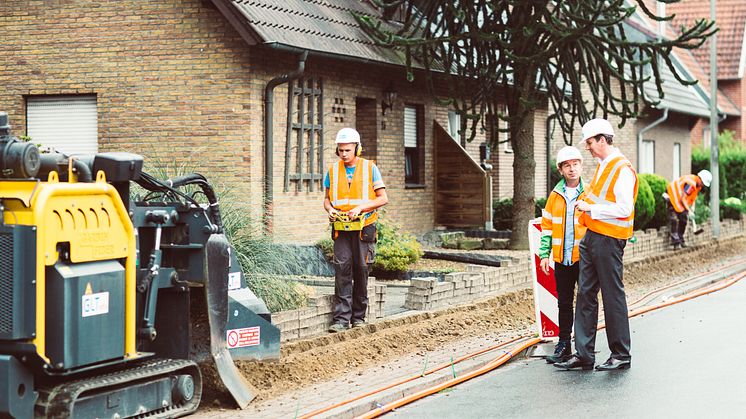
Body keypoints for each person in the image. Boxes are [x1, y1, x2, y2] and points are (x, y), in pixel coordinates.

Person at [555, 118, 638, 371]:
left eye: (590, 142)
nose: (588, 148)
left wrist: (590, 207)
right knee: (586, 294)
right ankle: (584, 354)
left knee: (612, 294)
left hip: (609, 239)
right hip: (592, 237)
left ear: (602, 140)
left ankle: (621, 354)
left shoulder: (621, 168)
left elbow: (624, 209)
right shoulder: (604, 165)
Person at [323, 128, 388, 333]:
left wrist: (361, 208)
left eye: (348, 150)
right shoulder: (333, 171)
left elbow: (383, 198)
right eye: (340, 150)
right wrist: (330, 209)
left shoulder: (370, 168)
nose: (344, 154)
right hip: (341, 228)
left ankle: (358, 317)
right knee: (342, 270)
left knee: (361, 269)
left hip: (364, 228)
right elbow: (327, 199)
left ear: (357, 149)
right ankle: (341, 319)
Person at [539, 146, 587, 364]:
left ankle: (584, 347)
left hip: (583, 259)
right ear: (560, 170)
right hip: (562, 259)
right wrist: (545, 254)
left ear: (581, 166)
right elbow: (547, 226)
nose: (572, 169)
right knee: (564, 303)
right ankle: (564, 344)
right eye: (567, 165)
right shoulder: (555, 196)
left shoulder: (590, 193)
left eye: (575, 164)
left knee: (586, 303)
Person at [663, 170, 711, 249]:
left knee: (684, 218)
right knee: (674, 219)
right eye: (703, 182)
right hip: (671, 196)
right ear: (700, 178)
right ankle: (676, 242)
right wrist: (688, 210)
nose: (703, 185)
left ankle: (681, 239)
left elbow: (692, 197)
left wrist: (692, 208)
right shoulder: (690, 184)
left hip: (678, 199)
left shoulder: (698, 185)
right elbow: (683, 199)